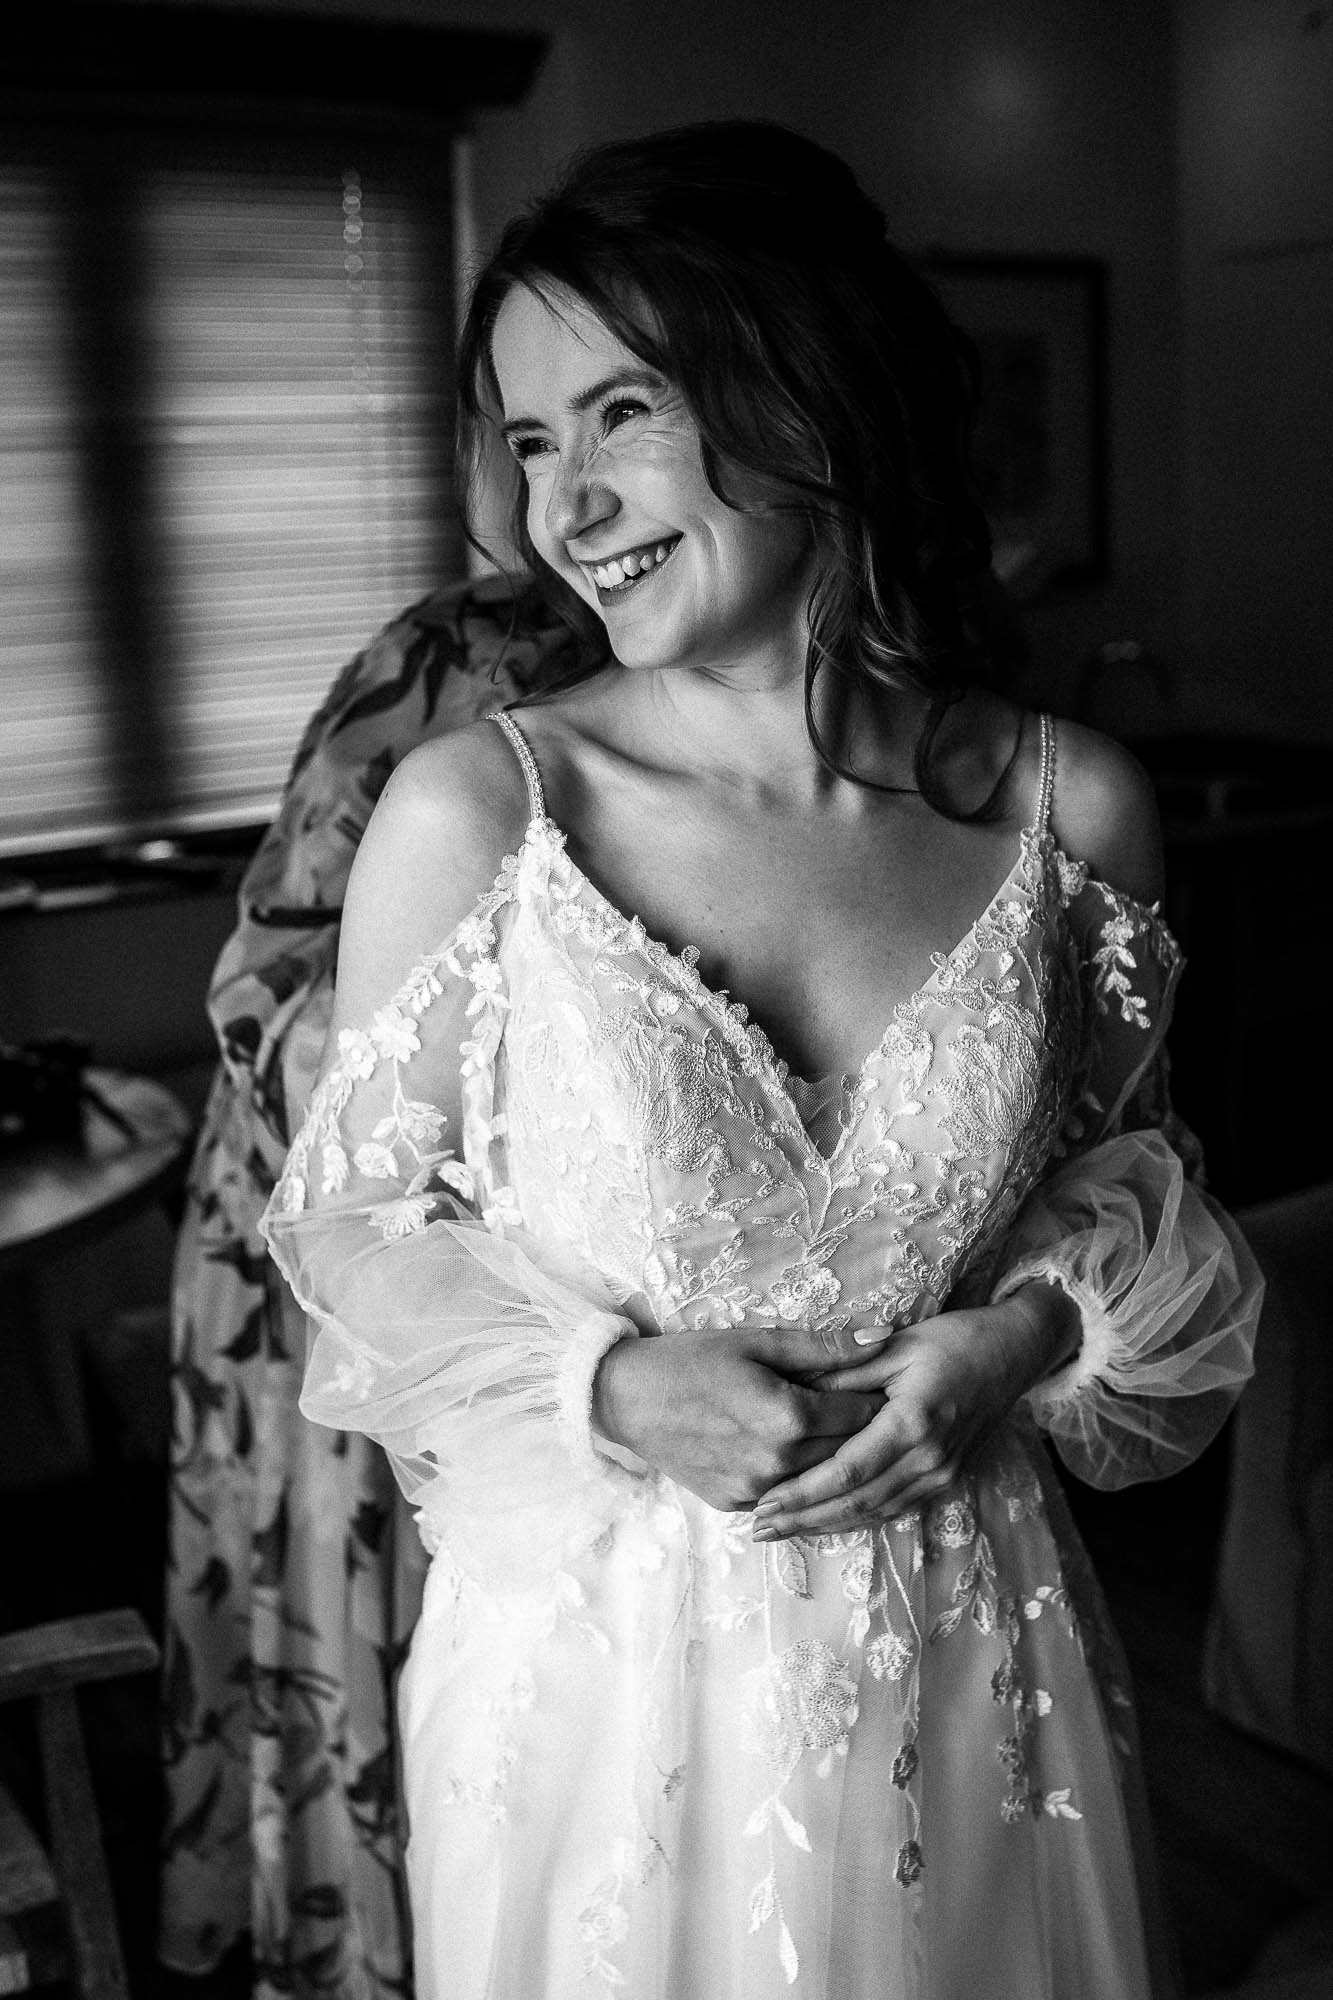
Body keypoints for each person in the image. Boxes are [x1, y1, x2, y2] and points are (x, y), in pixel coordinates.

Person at [262, 123, 1261, 1999]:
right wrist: (610, 1387)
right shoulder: (483, 812)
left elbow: (1126, 1186)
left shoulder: (1070, 812)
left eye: (620, 413)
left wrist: (1016, 1338)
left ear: (805, 393)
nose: (563, 504)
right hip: (601, 1690)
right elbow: (352, 1240)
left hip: (969, 1657)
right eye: (528, 440)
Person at [160, 581, 580, 1998]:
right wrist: (500, 1116)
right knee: (356, 1608)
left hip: (580, 1279)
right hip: (336, 1232)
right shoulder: (458, 659)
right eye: (534, 464)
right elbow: (268, 975)